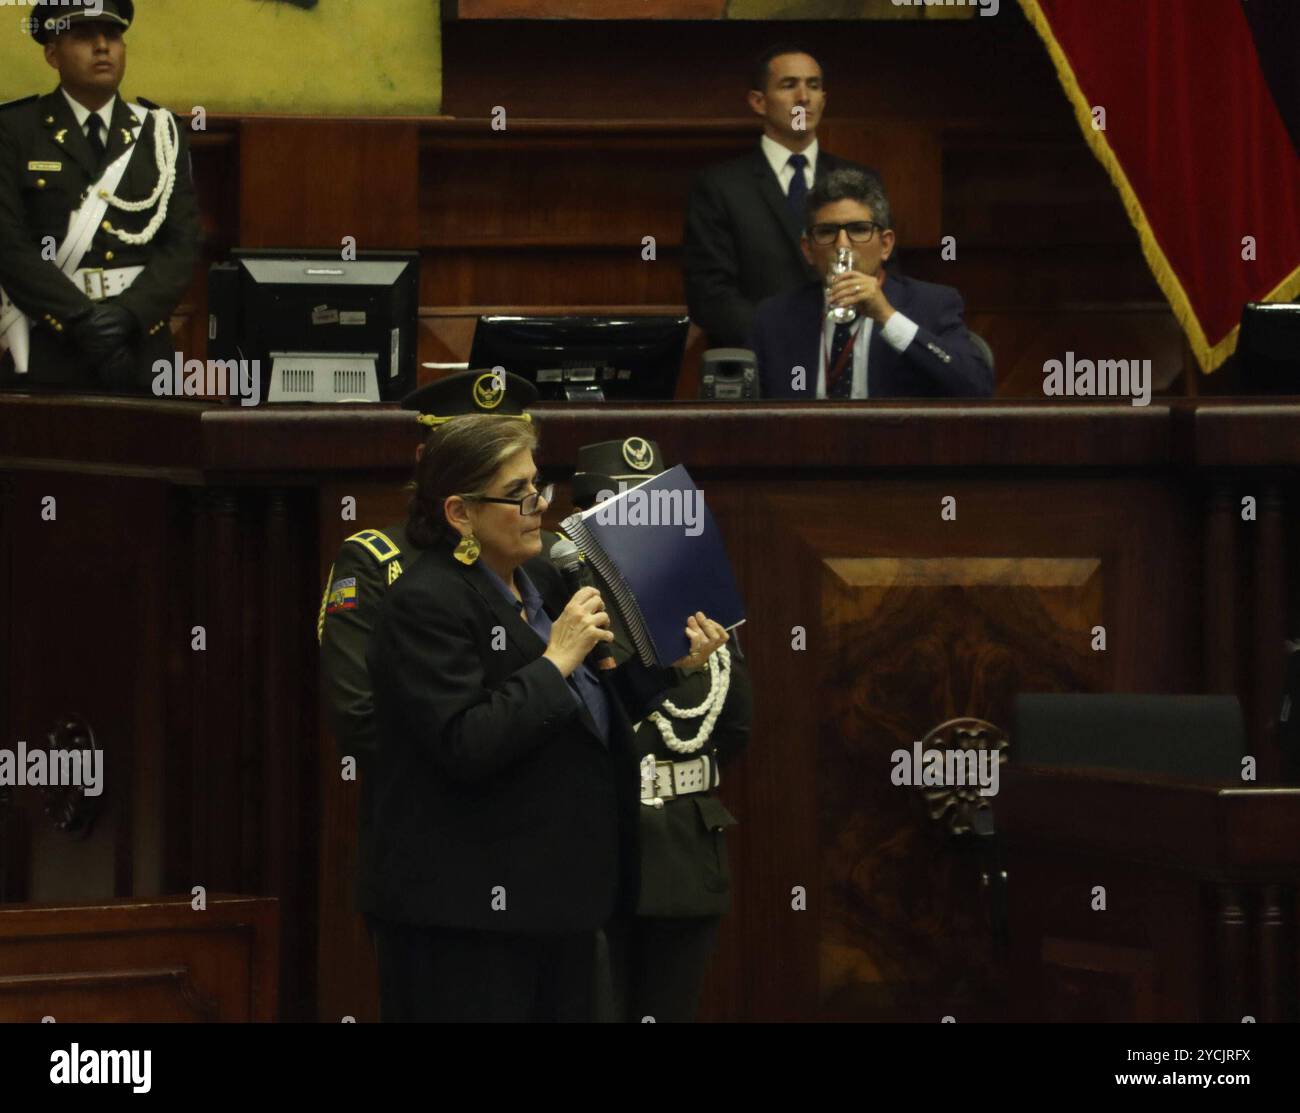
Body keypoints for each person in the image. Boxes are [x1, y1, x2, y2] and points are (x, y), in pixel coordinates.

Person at [361, 414, 731, 1022]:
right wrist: (554, 660)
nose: (538, 506)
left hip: (561, 900)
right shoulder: (424, 603)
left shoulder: (538, 578)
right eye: (517, 494)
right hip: (467, 916)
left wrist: (671, 664)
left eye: (539, 486)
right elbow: (466, 742)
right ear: (460, 513)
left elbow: (595, 702)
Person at [569, 438, 753, 1023]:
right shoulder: (572, 604)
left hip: (685, 849)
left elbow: (737, 729)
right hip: (604, 847)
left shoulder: (698, 603)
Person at [318, 369, 541, 766]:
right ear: (428, 462)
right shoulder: (377, 562)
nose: (535, 502)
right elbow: (360, 716)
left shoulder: (537, 561)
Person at [0, 1, 200, 392]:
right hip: (50, 340)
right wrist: (79, 319)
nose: (103, 46)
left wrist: (128, 316)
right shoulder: (16, 130)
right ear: (52, 54)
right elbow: (8, 244)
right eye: (83, 37)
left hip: (141, 343)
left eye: (112, 35)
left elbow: (183, 244)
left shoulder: (160, 132)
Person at [683, 44, 882, 348]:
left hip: (850, 355)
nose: (804, 98)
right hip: (762, 361)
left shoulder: (862, 181)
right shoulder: (719, 186)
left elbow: (885, 272)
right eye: (789, 85)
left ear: (823, 100)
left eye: (813, 86)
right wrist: (783, 340)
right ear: (758, 101)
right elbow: (711, 295)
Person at [749, 168, 994, 399]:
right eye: (826, 232)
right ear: (808, 250)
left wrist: (888, 316)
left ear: (885, 245)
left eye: (858, 230)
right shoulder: (774, 318)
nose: (842, 245)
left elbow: (976, 387)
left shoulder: (931, 305)